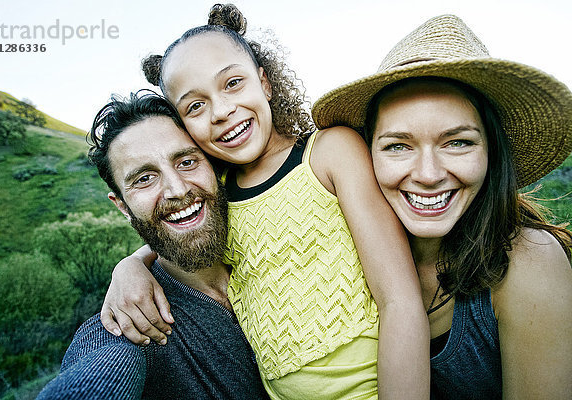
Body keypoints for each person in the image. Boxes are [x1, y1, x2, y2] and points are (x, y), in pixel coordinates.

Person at [100, 4, 429, 400]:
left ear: (265, 83)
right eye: (195, 106)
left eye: (233, 83)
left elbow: (401, 301)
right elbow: (171, 228)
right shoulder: (215, 191)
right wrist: (131, 265)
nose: (222, 111)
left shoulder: (328, 153)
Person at [312, 14, 572, 399]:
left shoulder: (528, 261)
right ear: (366, 156)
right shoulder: (339, 248)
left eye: (458, 142)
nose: (429, 174)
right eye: (398, 146)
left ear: (491, 151)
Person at [37, 91, 269, 400]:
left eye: (187, 161)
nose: (176, 189)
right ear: (122, 206)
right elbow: (99, 371)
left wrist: (133, 260)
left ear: (215, 166)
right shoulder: (129, 323)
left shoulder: (287, 246)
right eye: (144, 178)